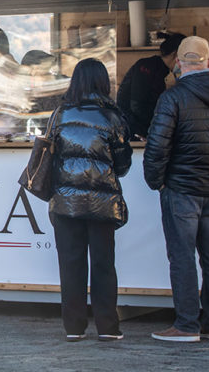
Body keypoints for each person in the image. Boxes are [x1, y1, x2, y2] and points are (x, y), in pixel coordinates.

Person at [144, 36, 209, 342]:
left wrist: (157, 181)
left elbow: (157, 148)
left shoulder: (172, 98)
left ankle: (187, 325)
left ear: (178, 63)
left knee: (183, 257)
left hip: (180, 189)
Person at [49, 58, 132, 342]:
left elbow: (49, 153)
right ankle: (107, 327)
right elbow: (122, 165)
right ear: (102, 83)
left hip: (65, 202)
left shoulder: (60, 114)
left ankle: (73, 328)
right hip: (102, 203)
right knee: (103, 265)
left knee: (70, 265)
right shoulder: (112, 116)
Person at [116, 32, 186, 139]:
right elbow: (137, 106)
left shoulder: (160, 70)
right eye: (185, 57)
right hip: (133, 131)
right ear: (176, 53)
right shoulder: (147, 67)